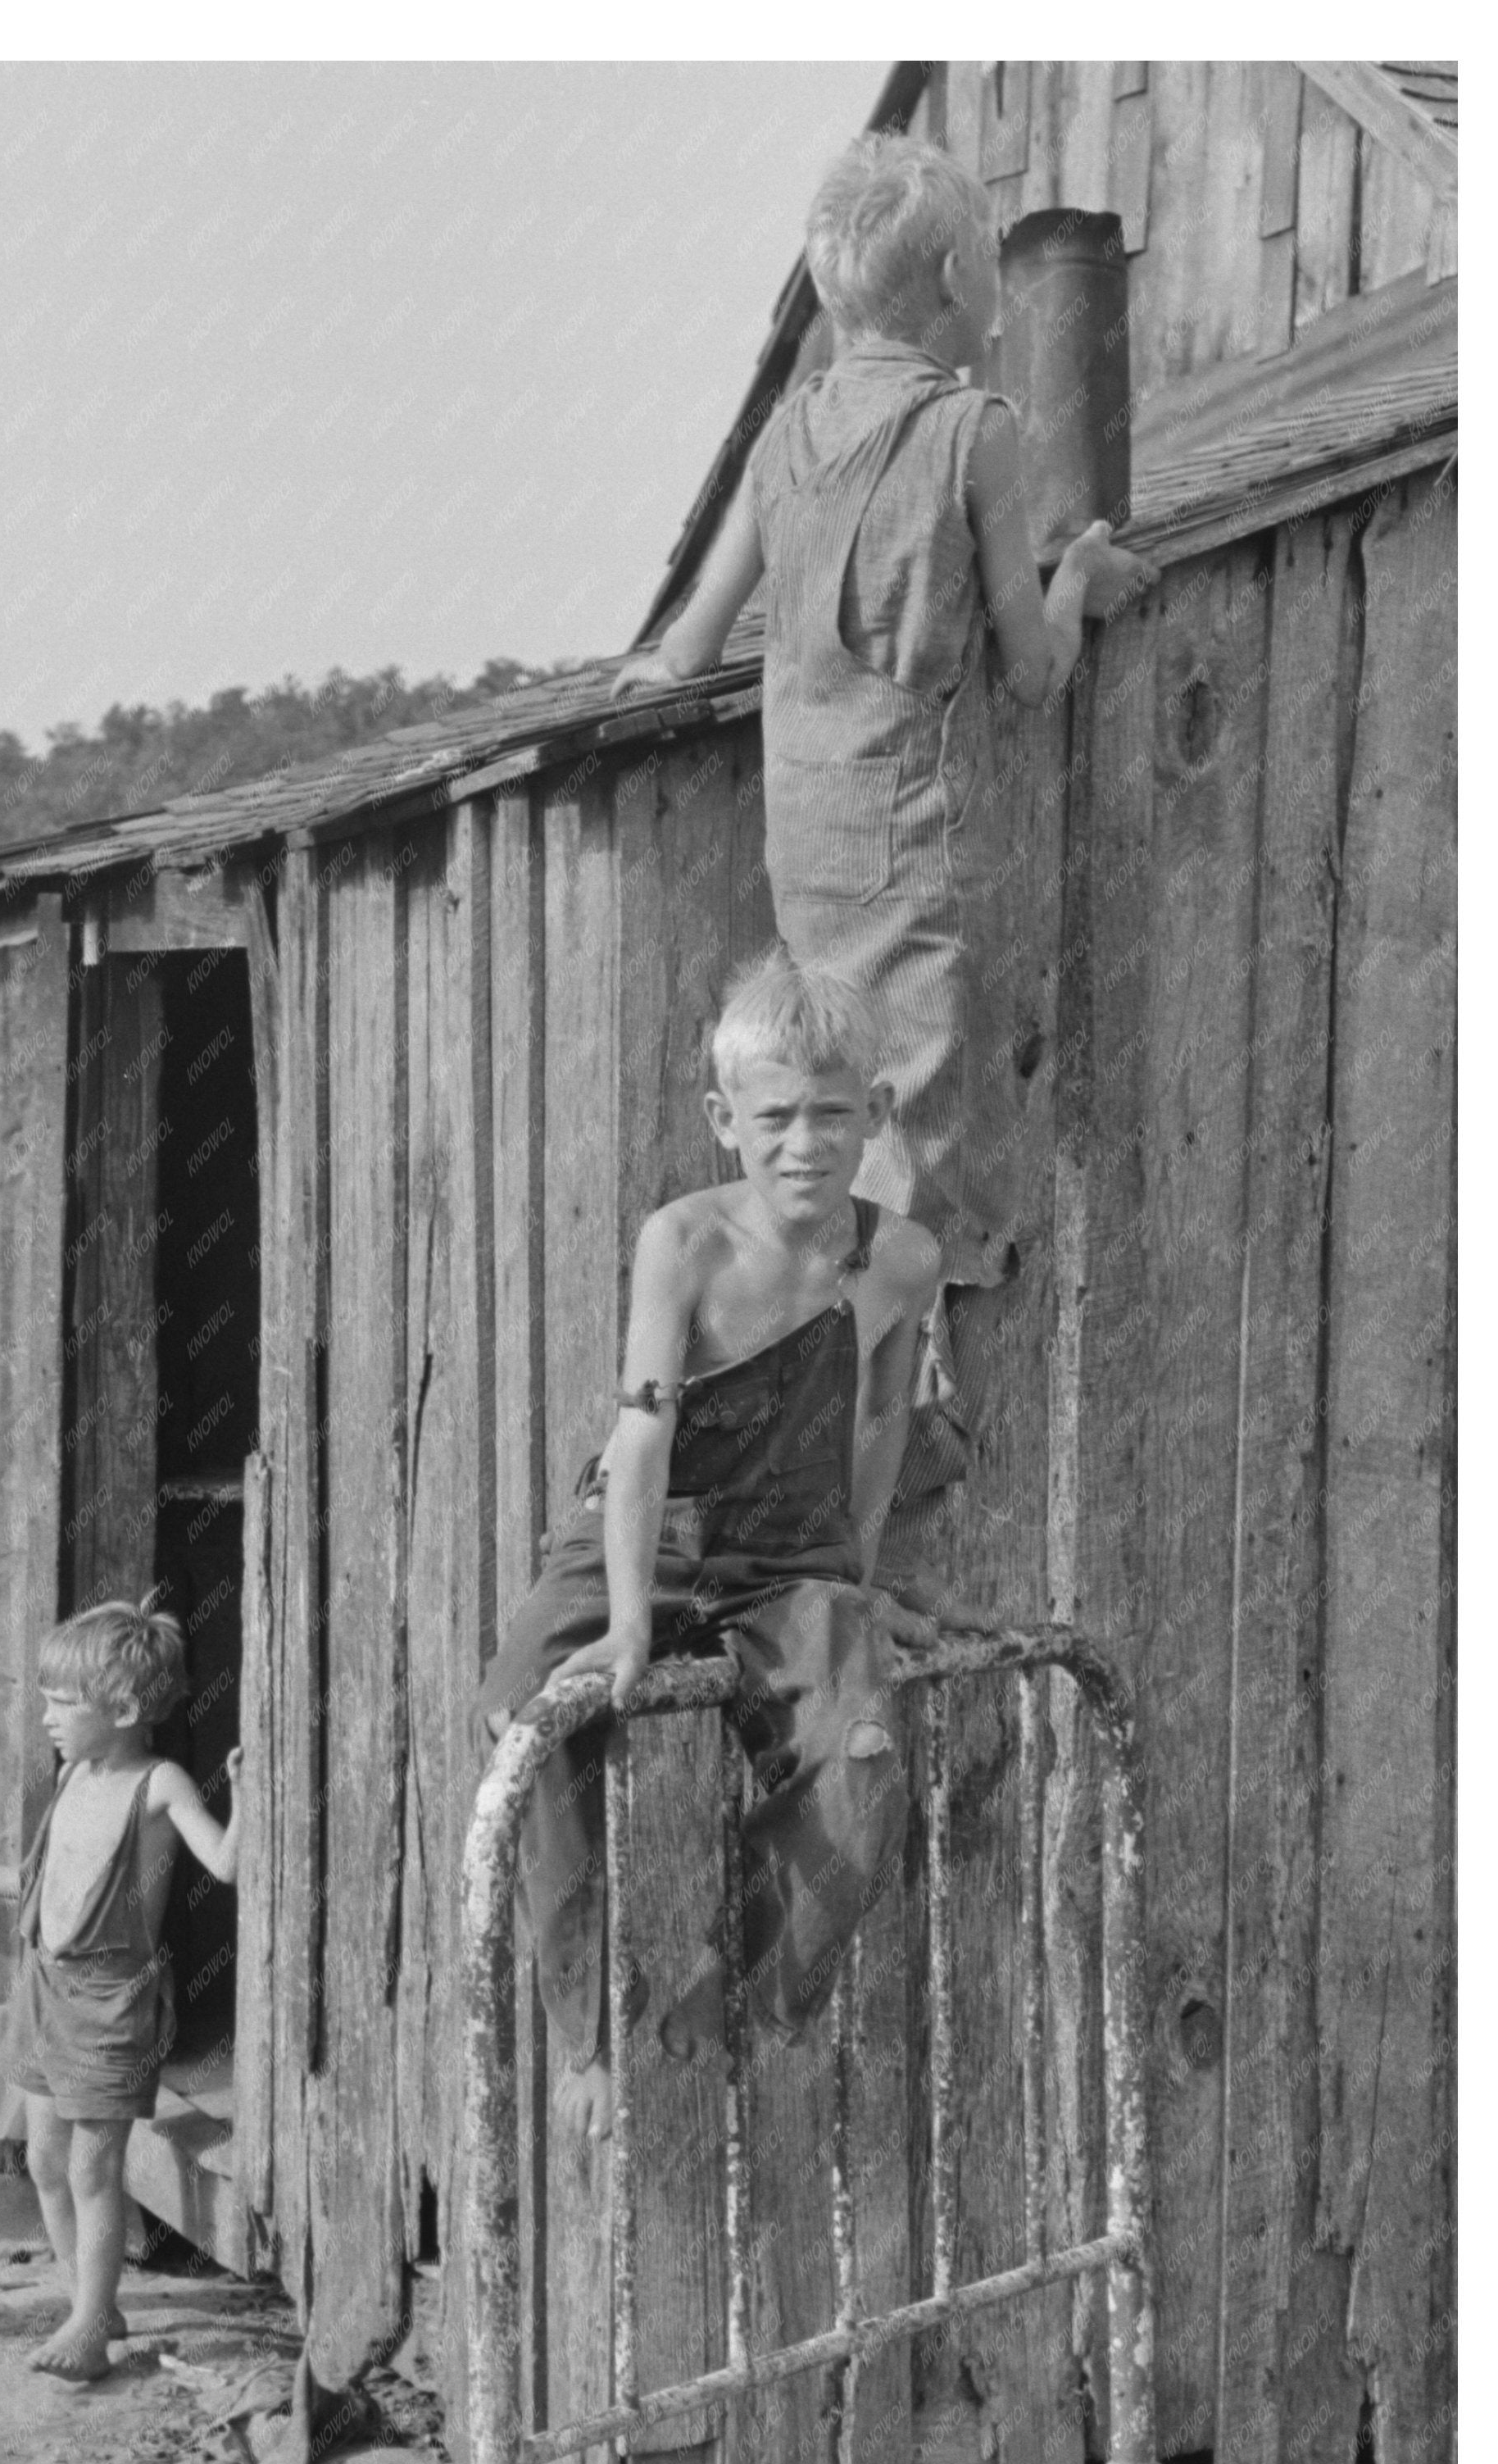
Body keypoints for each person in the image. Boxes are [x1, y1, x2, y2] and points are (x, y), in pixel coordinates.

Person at [613, 131, 1152, 1555]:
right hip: (912, 826)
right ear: (958, 284)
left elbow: (688, 632)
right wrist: (1079, 579)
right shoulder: (974, 432)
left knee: (843, 1111)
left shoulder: (789, 432)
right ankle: (886, 1422)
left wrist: (653, 674)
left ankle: (821, 1388)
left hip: (808, 824)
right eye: (984, 285)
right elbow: (1031, 671)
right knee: (916, 1113)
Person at [476, 946, 940, 2138]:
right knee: (531, 1695)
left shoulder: (901, 1260)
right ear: (722, 1118)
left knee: (865, 1750)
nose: (803, 1144)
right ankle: (584, 2017)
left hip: (789, 1551)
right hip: (653, 1530)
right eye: (774, 1117)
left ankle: (734, 1996)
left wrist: (851, 1581)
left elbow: (880, 1421)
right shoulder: (684, 1241)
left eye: (832, 1115)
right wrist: (628, 1620)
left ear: (874, 1115)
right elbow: (639, 1438)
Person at [0, 1603, 240, 2381]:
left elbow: (225, 1863)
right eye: (46, 1698)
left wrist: (247, 1791)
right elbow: (50, 1877)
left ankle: (92, 2322)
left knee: (95, 2169)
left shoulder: (159, 1785)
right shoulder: (73, 1775)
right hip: (45, 1988)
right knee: (46, 2160)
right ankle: (86, 2302)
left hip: (110, 2002)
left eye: (63, 1702)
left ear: (124, 1710)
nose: (48, 1716)